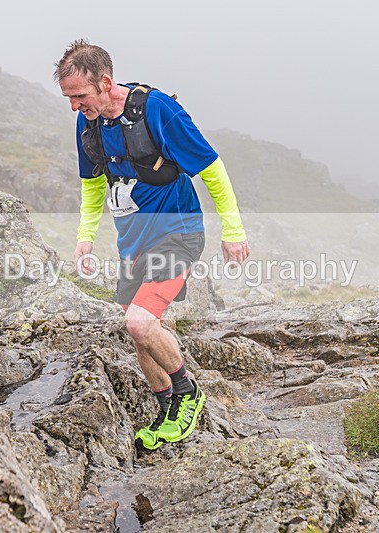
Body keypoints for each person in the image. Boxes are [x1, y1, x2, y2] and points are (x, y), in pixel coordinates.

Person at [54, 39, 250, 452]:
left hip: (177, 232)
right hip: (134, 243)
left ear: (104, 82)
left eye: (79, 96)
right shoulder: (87, 123)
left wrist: (232, 230)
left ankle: (188, 393)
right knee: (141, 331)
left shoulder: (157, 110)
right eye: (68, 98)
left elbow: (212, 170)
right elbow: (92, 187)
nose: (74, 106)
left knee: (139, 323)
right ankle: (166, 409)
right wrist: (84, 240)